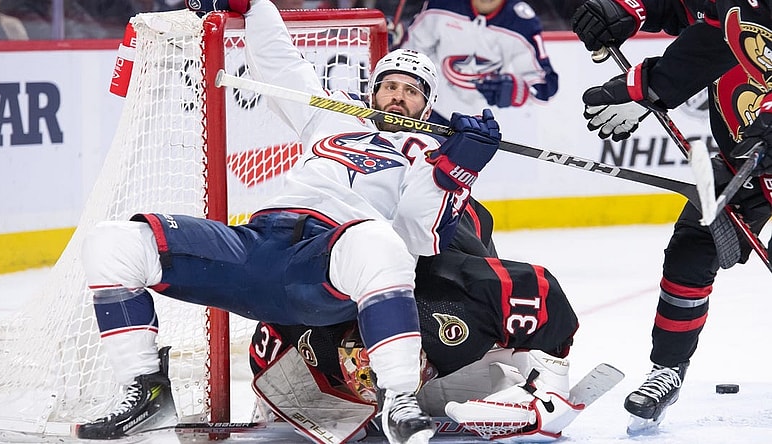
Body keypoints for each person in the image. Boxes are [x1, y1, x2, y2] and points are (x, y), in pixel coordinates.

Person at [75, 0, 502, 443]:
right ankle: (146, 388)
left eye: (411, 91)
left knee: (379, 241)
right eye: (389, 85)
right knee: (113, 243)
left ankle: (397, 399)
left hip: (323, 267)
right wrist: (253, 5)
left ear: (428, 104)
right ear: (372, 91)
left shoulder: (428, 158)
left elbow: (416, 235)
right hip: (257, 246)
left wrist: (455, 171)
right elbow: (278, 60)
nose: (397, 96)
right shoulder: (332, 113)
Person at [571, 0, 772, 434]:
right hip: (748, 159)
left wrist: (648, 85)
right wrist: (633, 10)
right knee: (691, 248)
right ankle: (667, 369)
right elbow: (707, 23)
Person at [249, 196, 582, 441]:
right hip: (356, 244)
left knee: (506, 353)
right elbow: (266, 349)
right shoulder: (310, 328)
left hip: (454, 229)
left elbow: (540, 289)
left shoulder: (452, 295)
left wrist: (550, 390)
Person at [401, 0, 559, 126]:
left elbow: (545, 84)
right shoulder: (441, 5)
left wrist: (519, 90)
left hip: (481, 122)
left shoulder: (521, 22)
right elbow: (410, 52)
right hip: (431, 111)